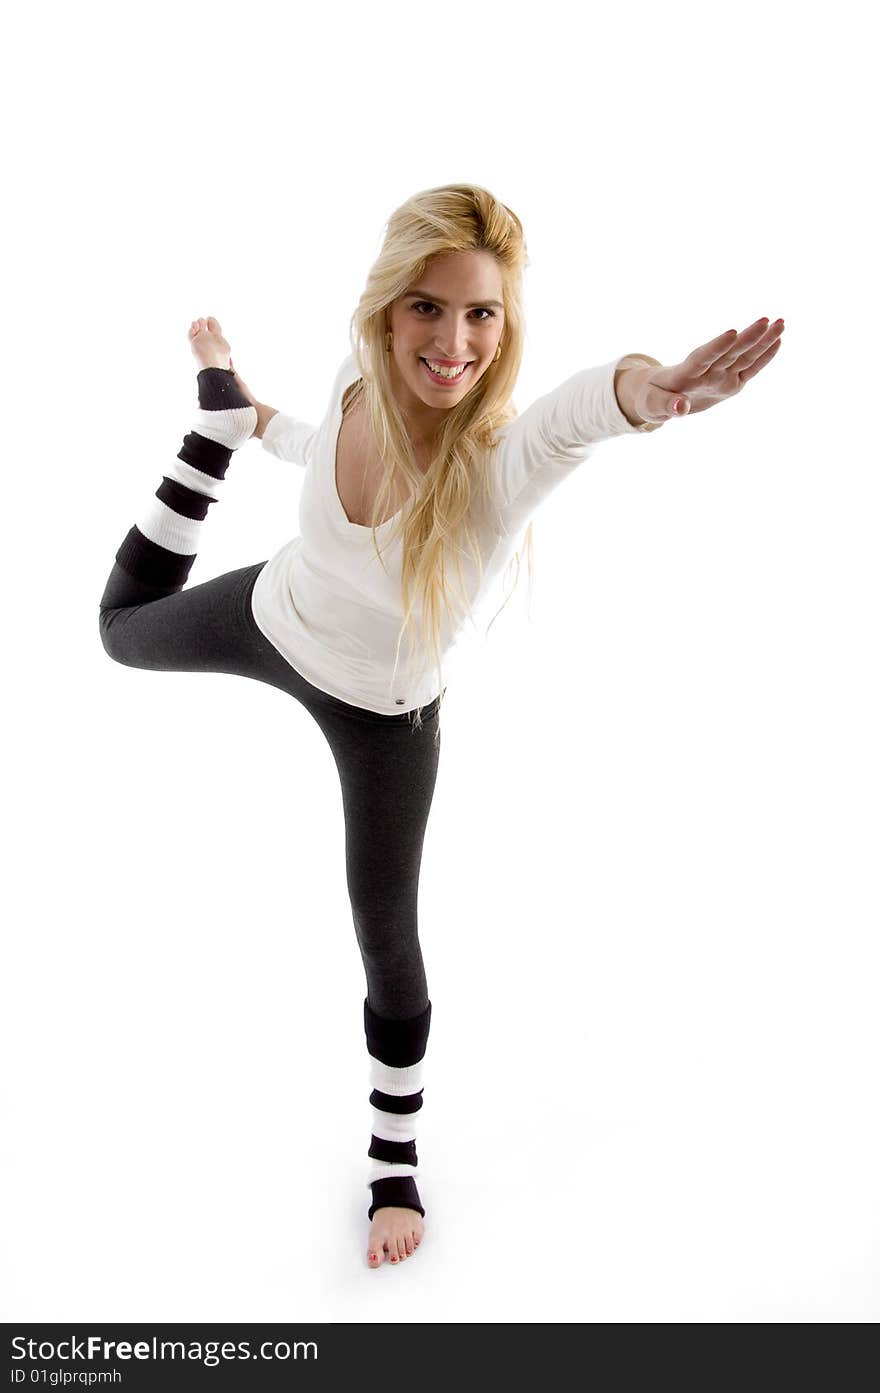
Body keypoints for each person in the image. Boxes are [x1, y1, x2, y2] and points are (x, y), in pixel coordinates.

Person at [98, 182, 784, 1270]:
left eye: (482, 315)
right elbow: (323, 444)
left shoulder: (498, 469)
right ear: (384, 309)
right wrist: (257, 424)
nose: (454, 341)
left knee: (386, 941)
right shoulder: (357, 377)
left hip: (382, 719)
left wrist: (648, 391)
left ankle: (392, 1167)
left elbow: (576, 414)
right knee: (119, 629)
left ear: (506, 328)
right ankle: (213, 418)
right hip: (272, 613)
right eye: (427, 307)